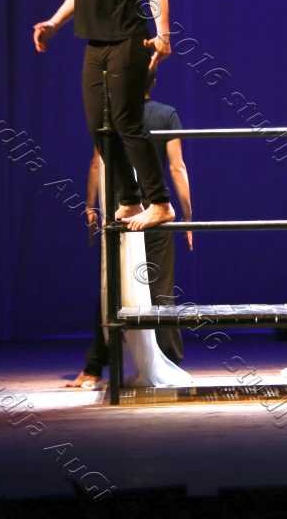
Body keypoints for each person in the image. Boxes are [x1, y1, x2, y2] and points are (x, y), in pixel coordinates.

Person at [32, 0, 176, 232]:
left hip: (128, 40)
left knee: (127, 120)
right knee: (98, 124)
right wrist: (54, 23)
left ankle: (160, 203)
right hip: (95, 46)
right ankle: (129, 200)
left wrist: (163, 34)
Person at [70, 72, 194, 387]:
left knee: (111, 287)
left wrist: (90, 206)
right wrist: (188, 216)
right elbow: (177, 167)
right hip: (154, 211)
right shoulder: (166, 115)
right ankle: (169, 361)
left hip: (121, 211)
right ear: (153, 84)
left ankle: (93, 368)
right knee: (160, 288)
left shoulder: (113, 116)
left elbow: (96, 163)